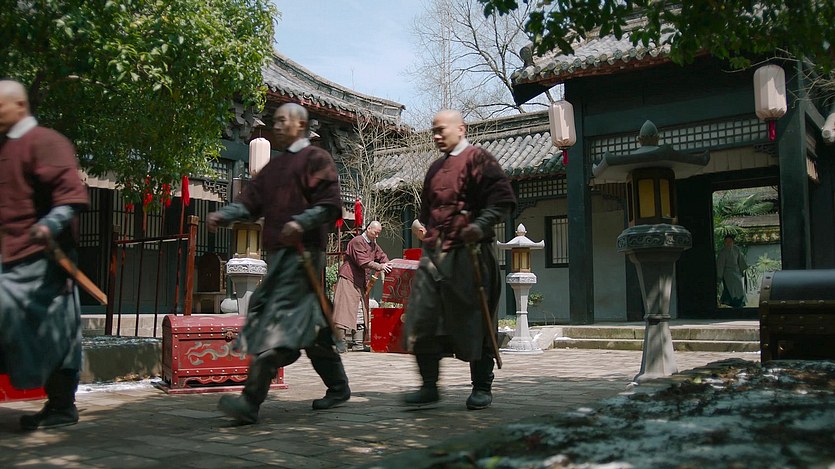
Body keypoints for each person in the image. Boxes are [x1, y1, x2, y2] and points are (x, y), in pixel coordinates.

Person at [207, 103, 350, 424]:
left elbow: (330, 205)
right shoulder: (274, 167)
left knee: (280, 330)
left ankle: (250, 402)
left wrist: (302, 222)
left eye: (284, 120)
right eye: (276, 121)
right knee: (311, 328)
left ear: (300, 124)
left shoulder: (317, 159)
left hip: (304, 258)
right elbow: (249, 203)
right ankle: (339, 387)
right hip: (278, 260)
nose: (278, 125)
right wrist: (224, 215)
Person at [403, 109, 516, 410]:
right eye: (433, 130)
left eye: (442, 129)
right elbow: (427, 213)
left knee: (476, 319)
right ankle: (429, 385)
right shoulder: (434, 168)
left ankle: (481, 386)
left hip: (471, 253)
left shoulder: (479, 159)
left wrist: (479, 226)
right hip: (435, 254)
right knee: (422, 317)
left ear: (461, 129)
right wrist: (424, 228)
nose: (437, 135)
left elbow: (503, 200)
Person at [0, 79, 90, 430]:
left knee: (58, 334)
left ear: (20, 106)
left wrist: (48, 225)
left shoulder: (47, 142)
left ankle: (61, 406)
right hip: (8, 257)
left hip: (44, 261)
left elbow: (68, 198)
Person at [333, 221, 391, 353]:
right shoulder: (357, 241)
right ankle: (341, 342)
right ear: (369, 228)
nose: (377, 236)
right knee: (343, 310)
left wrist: (389, 265)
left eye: (379, 233)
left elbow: (382, 256)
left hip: (360, 281)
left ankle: (358, 343)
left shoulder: (373, 244)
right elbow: (363, 261)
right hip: (348, 278)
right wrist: (380, 266)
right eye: (376, 232)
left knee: (360, 310)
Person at [716, 234, 748, 308]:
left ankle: (740, 301)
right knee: (731, 290)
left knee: (739, 289)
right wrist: (719, 277)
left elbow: (741, 260)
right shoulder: (722, 252)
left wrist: (742, 270)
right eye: (726, 241)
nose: (728, 243)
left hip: (737, 273)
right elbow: (720, 266)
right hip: (727, 274)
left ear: (733, 242)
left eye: (730, 241)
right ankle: (733, 302)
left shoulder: (736, 249)